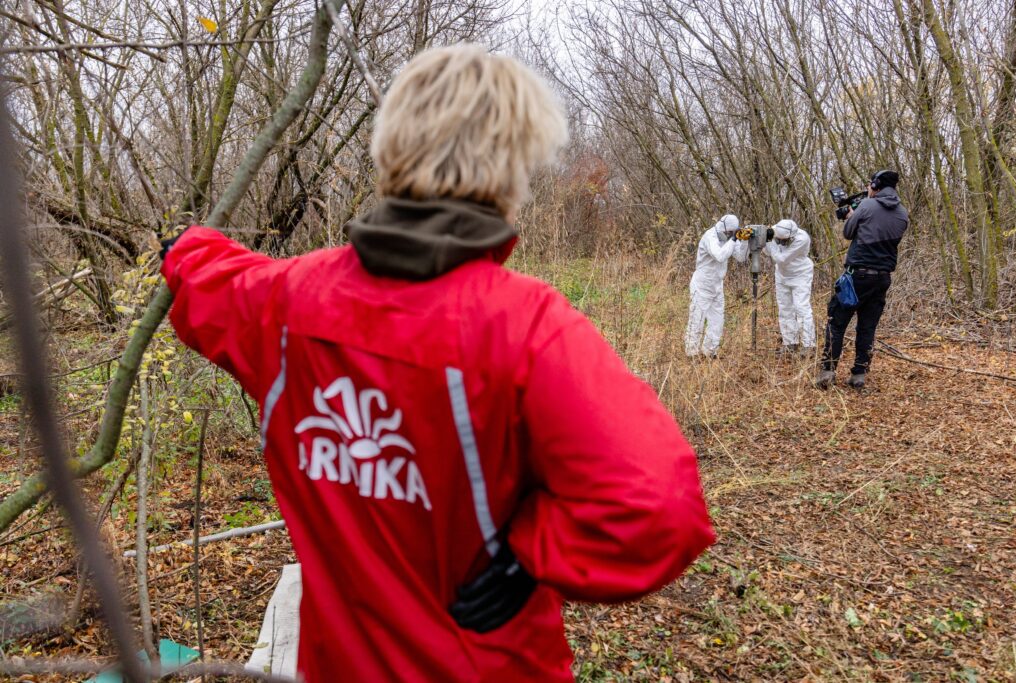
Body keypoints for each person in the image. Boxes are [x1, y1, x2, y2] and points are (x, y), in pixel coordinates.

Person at [159, 44, 715, 682]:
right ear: (510, 171)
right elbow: (659, 508)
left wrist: (185, 249)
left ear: (391, 149)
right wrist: (532, 555)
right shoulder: (524, 328)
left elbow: (212, 279)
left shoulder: (285, 302)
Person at [816, 169, 909, 389]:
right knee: (867, 326)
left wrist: (852, 216)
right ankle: (859, 374)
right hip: (882, 278)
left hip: (857, 276)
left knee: (836, 322)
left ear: (875, 185)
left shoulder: (867, 205)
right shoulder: (903, 212)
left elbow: (848, 233)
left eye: (870, 184)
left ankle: (828, 371)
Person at [685, 215, 747, 357]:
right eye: (728, 233)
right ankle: (692, 353)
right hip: (702, 284)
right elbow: (720, 255)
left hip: (717, 285)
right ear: (722, 228)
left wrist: (744, 241)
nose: (729, 235)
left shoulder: (729, 238)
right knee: (697, 319)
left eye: (732, 233)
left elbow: (741, 257)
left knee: (717, 320)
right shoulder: (710, 237)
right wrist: (734, 239)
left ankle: (710, 351)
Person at [765, 219, 814, 356]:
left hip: (800, 275)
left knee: (801, 308)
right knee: (785, 309)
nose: (781, 243)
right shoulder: (774, 230)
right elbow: (768, 252)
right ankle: (790, 343)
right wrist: (766, 238)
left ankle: (809, 345)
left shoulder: (802, 238)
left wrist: (770, 242)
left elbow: (781, 259)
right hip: (782, 275)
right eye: (778, 240)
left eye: (784, 241)